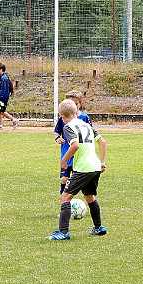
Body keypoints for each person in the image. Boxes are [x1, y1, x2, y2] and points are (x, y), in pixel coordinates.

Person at [45, 99, 107, 240]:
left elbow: (75, 146)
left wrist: (64, 160)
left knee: (65, 197)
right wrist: (102, 162)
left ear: (62, 116)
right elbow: (102, 142)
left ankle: (63, 232)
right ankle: (98, 227)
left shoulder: (68, 127)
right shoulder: (86, 125)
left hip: (83, 168)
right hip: (95, 166)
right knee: (89, 196)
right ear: (76, 112)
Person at [54, 90, 93, 194]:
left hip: (80, 156)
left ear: (80, 104)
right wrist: (57, 138)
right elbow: (57, 131)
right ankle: (64, 202)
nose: (73, 106)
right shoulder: (63, 117)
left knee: (81, 183)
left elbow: (91, 133)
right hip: (66, 153)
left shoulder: (84, 118)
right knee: (64, 179)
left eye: (75, 104)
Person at [0, 63, 19, 130]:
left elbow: (3, 89)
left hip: (3, 97)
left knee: (1, 111)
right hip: (1, 97)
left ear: (1, 70)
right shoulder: (1, 78)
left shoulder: (4, 78)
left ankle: (13, 120)